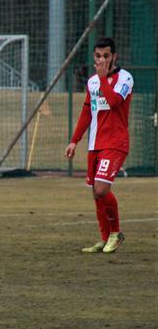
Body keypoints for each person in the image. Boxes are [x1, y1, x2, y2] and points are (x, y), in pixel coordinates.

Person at [65, 37, 133, 253]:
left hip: (115, 142)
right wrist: (74, 140)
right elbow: (87, 111)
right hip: (95, 144)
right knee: (96, 193)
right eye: (98, 56)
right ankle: (104, 239)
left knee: (102, 189)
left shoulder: (125, 78)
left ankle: (116, 233)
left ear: (114, 56)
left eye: (106, 56)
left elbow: (113, 102)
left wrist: (104, 78)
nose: (101, 59)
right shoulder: (92, 81)